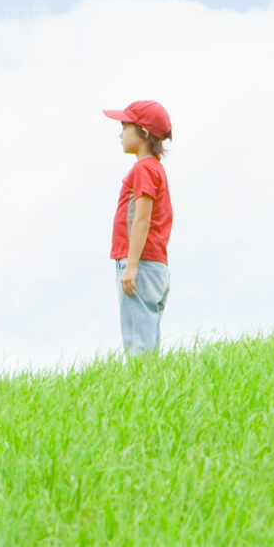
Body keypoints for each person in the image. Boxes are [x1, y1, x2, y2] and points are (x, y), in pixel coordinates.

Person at [101, 99, 175, 355]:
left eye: (125, 127)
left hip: (140, 264)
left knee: (138, 347)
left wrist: (131, 266)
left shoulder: (143, 170)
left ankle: (142, 381)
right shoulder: (155, 169)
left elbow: (142, 218)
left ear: (143, 133)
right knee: (148, 343)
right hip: (154, 265)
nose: (120, 134)